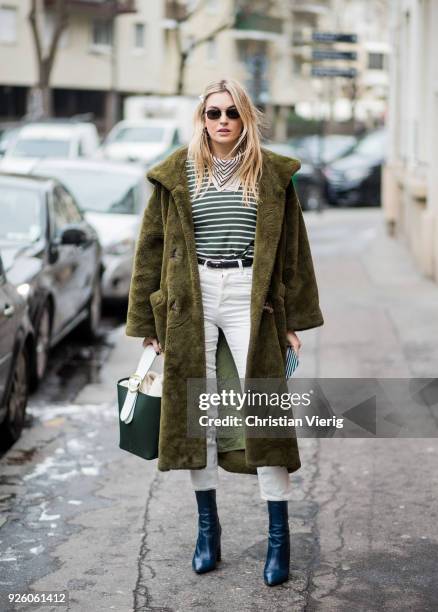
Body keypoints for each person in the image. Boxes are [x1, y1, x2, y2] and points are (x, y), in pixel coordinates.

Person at [125, 78, 324, 586]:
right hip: (192, 296)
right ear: (202, 118)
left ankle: (278, 541)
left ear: (246, 118)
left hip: (250, 296)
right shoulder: (177, 173)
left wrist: (293, 321)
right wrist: (149, 323)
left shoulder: (274, 174)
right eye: (213, 113)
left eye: (232, 113)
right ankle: (207, 530)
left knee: (265, 413)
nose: (222, 122)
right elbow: (151, 248)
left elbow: (293, 251)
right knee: (200, 416)